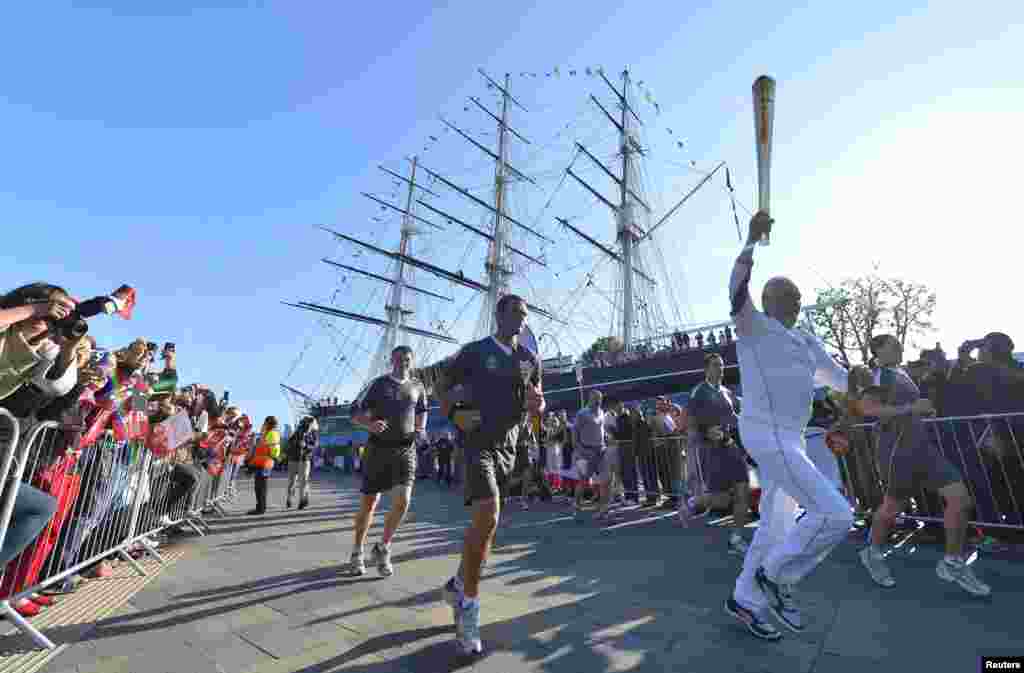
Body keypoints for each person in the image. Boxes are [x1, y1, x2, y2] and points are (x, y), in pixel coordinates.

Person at [724, 212, 859, 641]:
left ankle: (745, 599)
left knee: (776, 526)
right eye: (792, 297)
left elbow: (843, 382)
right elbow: (736, 289)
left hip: (793, 442)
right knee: (837, 514)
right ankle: (776, 576)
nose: (799, 303)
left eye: (800, 298)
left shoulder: (807, 342)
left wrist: (878, 381)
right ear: (770, 300)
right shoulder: (753, 327)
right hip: (765, 434)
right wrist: (749, 242)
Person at [436, 294, 544, 657]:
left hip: (508, 448)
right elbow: (442, 388)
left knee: (488, 529)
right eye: (515, 312)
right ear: (499, 315)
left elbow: (536, 400)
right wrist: (454, 416)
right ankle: (468, 608)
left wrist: (538, 407)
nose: (521, 320)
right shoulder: (474, 352)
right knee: (488, 514)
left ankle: (457, 584)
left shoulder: (529, 359)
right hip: (476, 442)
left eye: (525, 315)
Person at [856, 334, 989, 596]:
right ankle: (872, 552)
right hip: (897, 451)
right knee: (893, 506)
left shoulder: (899, 372)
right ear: (878, 351)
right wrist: (911, 409)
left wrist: (922, 410)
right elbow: (868, 409)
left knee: (960, 499)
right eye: (893, 344)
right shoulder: (881, 375)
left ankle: (952, 562)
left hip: (923, 449)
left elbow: (909, 407)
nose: (899, 347)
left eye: (898, 343)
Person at [348, 345, 428, 577]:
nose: (403, 361)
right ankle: (357, 551)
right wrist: (368, 424)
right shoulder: (378, 384)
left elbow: (422, 409)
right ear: (391, 360)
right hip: (377, 450)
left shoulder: (417, 386)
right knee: (369, 504)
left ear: (412, 361)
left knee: (403, 501)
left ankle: (383, 547)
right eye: (399, 358)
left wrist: (421, 428)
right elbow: (354, 412)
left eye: (407, 358)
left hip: (406, 450)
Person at [680, 353, 751, 556]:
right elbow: (688, 422)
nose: (719, 369)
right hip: (711, 450)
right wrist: (705, 432)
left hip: (730, 447)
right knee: (721, 500)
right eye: (715, 365)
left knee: (742, 492)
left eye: (721, 365)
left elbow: (735, 417)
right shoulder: (699, 392)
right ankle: (693, 503)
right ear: (706, 369)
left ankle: (736, 538)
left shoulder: (728, 392)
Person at [572, 390, 613, 522]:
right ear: (590, 399)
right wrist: (579, 450)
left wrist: (606, 437)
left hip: (601, 451)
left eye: (600, 399)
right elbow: (575, 434)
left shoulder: (601, 412)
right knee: (583, 481)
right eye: (596, 399)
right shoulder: (581, 414)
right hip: (585, 452)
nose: (598, 401)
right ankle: (577, 504)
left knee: (606, 480)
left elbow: (600, 428)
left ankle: (603, 509)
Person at [248, 416, 281, 515]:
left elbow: (273, 450)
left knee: (260, 486)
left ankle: (261, 508)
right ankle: (260, 507)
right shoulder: (268, 433)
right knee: (259, 486)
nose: (263, 424)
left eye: (265, 422)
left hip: (265, 462)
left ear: (268, 423)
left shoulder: (271, 433)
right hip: (262, 462)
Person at [285, 416, 319, 509]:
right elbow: (289, 442)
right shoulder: (298, 431)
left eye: (308, 422)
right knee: (292, 481)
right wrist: (295, 443)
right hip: (294, 459)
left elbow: (315, 446)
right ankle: (289, 499)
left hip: (304, 459)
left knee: (303, 481)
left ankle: (302, 501)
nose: (306, 424)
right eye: (305, 422)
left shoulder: (313, 433)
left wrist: (306, 446)